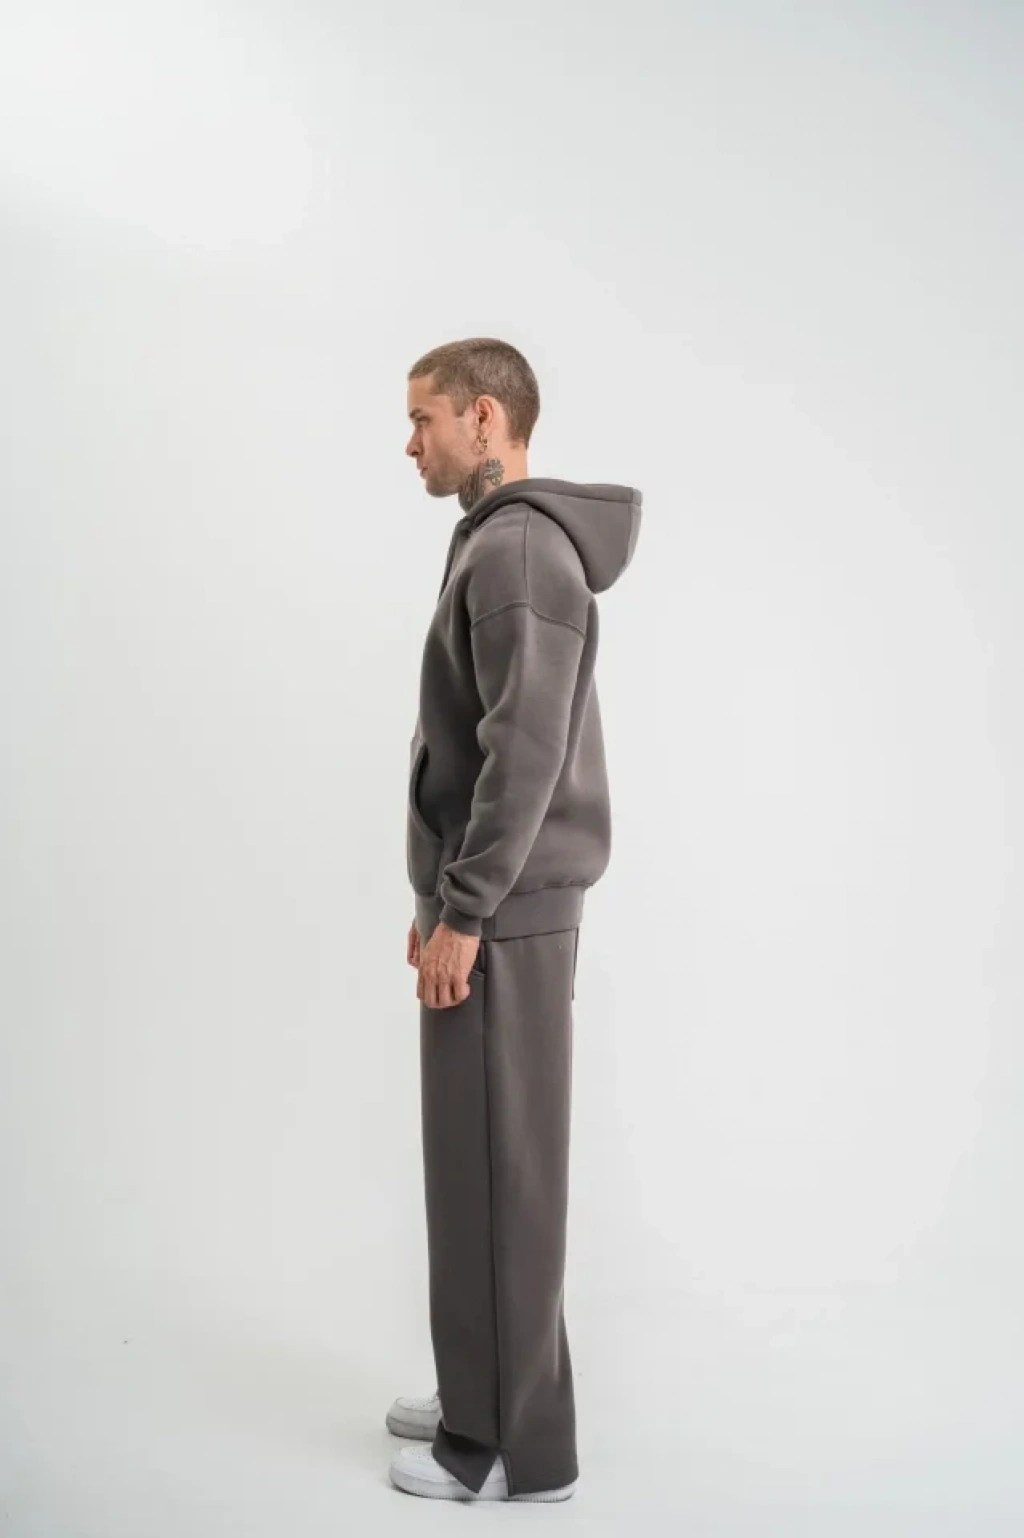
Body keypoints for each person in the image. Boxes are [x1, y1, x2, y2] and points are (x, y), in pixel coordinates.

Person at [385, 337, 642, 1503]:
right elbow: (478, 737)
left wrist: (467, 907)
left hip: (509, 913)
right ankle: (479, 1388)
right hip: (487, 907)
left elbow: (521, 755)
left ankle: (503, 1446)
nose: (411, 444)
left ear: (484, 418)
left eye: (424, 420)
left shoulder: (522, 550)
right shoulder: (498, 541)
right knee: (475, 1163)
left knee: (503, 1172)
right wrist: (438, 898)